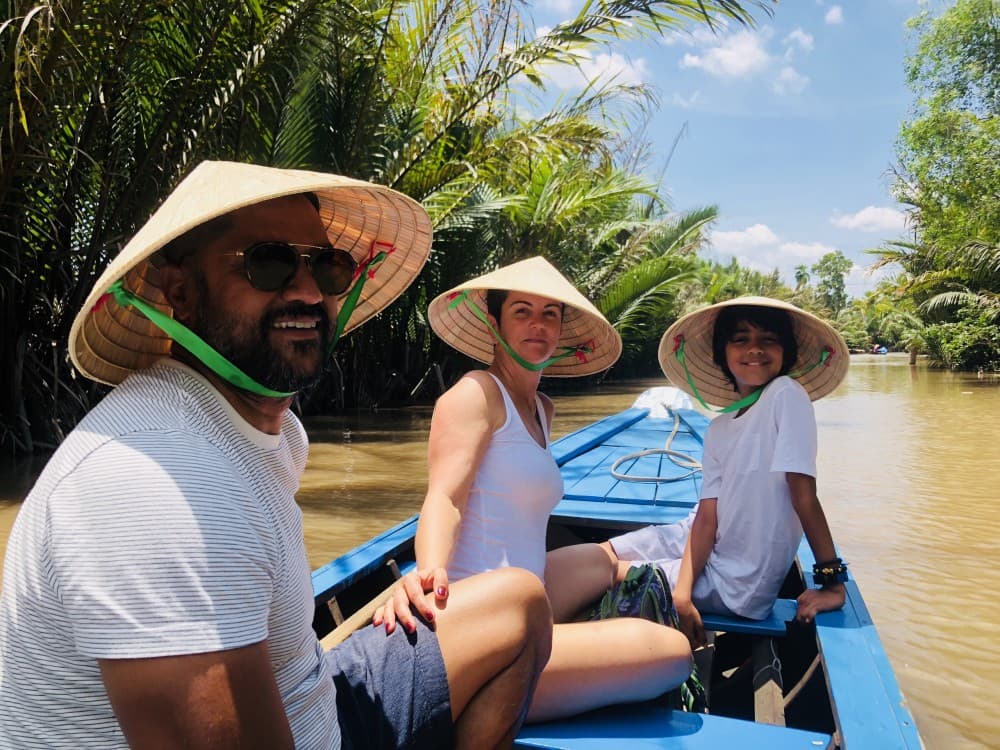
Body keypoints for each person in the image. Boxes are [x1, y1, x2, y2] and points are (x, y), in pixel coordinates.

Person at [0, 161, 553, 749]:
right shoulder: (153, 481)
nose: (309, 291)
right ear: (181, 293)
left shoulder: (269, 432)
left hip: (312, 701)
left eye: (327, 266)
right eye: (268, 262)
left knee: (520, 604)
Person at [373, 258, 694, 723]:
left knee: (603, 560)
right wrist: (429, 577)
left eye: (550, 314)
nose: (537, 325)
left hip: (527, 591)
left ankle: (681, 578)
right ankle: (488, 684)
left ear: (561, 330)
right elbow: (444, 499)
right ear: (494, 322)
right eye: (521, 311)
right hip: (481, 621)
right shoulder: (474, 395)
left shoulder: (543, 408)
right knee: (676, 652)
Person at [564, 297, 851, 649]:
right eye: (740, 339)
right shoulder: (720, 427)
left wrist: (832, 583)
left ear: (786, 350)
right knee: (600, 553)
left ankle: (535, 644)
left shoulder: (786, 395)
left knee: (601, 572)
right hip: (703, 542)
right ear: (723, 352)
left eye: (768, 339)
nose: (754, 350)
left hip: (736, 583)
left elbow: (803, 494)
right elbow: (707, 518)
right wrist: (683, 593)